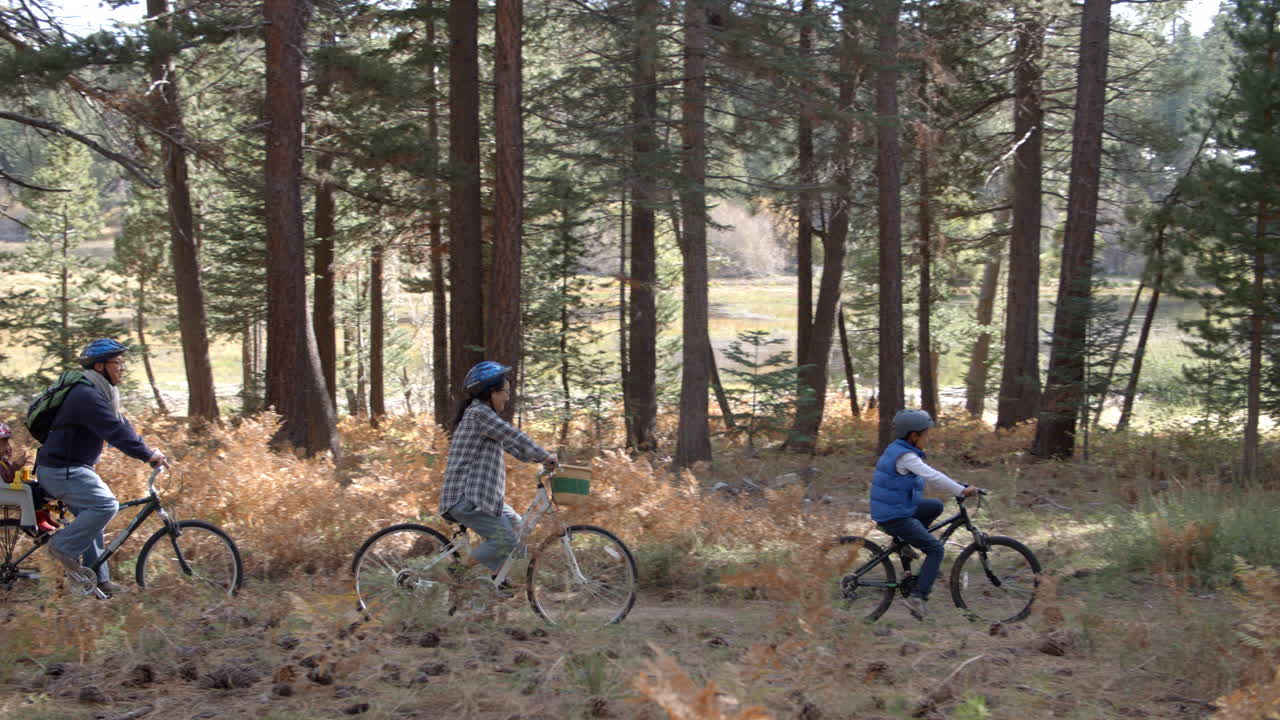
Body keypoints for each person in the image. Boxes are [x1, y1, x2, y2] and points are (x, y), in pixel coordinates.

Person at [35, 339, 169, 597]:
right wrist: (146, 455)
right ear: (99, 366)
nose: (122, 368)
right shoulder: (85, 396)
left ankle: (98, 582)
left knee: (92, 520)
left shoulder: (100, 392)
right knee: (105, 506)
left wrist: (149, 450)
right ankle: (62, 546)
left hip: (73, 468)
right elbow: (114, 431)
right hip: (61, 470)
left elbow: (122, 425)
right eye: (117, 362)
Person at [439, 361, 557, 588]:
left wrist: (539, 459)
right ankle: (457, 571)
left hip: (481, 498)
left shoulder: (482, 416)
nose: (507, 397)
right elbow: (512, 435)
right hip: (467, 498)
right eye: (505, 392)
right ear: (491, 392)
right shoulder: (479, 413)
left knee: (518, 528)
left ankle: (497, 579)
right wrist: (545, 456)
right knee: (507, 540)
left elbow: (513, 446)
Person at [870, 409, 980, 620]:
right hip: (895, 514)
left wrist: (958, 486)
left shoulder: (898, 449)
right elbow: (933, 476)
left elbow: (932, 477)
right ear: (914, 435)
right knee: (935, 550)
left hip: (896, 507)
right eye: (926, 434)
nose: (928, 438)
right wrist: (961, 491)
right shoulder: (906, 457)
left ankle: (903, 542)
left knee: (934, 506)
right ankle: (917, 597)